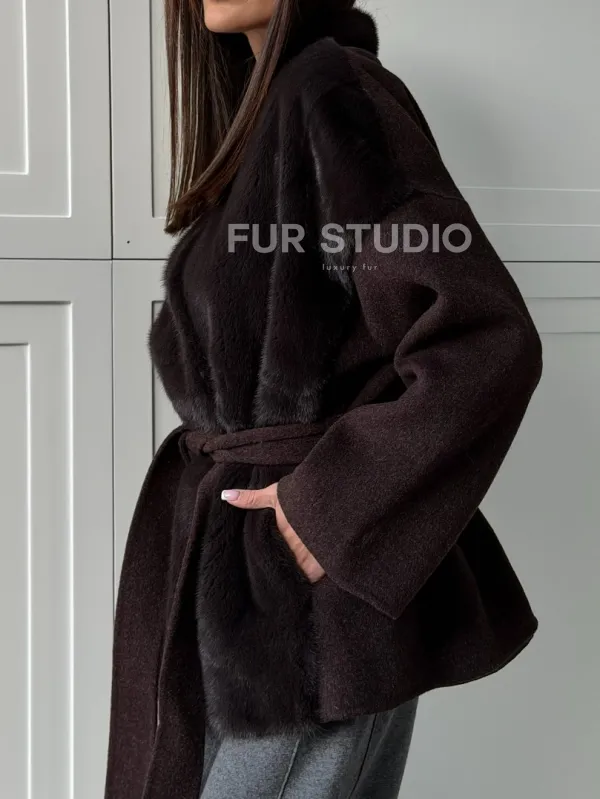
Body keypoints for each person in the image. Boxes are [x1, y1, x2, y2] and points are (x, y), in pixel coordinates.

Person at [103, 1, 544, 797]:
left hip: (303, 620)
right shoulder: (270, 120)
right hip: (252, 601)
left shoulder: (337, 95)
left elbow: (484, 338)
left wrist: (330, 513)